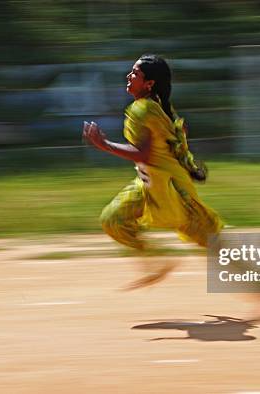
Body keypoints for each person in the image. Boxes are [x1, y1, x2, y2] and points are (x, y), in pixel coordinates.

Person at [82, 54, 223, 289]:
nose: (129, 76)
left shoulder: (144, 110)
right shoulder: (156, 107)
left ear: (149, 84)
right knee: (112, 219)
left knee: (210, 240)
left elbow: (142, 153)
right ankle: (157, 261)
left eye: (135, 73)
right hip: (150, 182)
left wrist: (104, 145)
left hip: (172, 189)